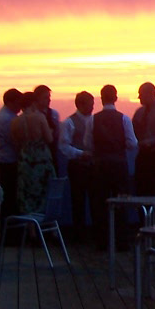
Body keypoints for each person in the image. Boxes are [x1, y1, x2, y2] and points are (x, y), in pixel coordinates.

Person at [92, 84, 138, 250]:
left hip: (100, 165)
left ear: (101, 98)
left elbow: (87, 143)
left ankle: (102, 241)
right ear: (116, 98)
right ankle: (121, 240)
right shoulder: (124, 118)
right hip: (119, 164)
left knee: (100, 202)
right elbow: (133, 143)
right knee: (121, 201)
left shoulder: (93, 119)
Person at [10, 91, 55, 214]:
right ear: (33, 103)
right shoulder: (39, 117)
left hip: (25, 160)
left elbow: (16, 142)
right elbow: (49, 139)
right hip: (41, 159)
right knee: (43, 193)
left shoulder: (15, 122)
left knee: (27, 194)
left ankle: (30, 228)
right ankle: (43, 225)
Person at [60, 90, 94, 242]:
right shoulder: (69, 123)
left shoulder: (93, 120)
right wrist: (80, 153)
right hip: (77, 166)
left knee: (94, 198)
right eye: (90, 105)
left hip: (92, 165)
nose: (92, 108)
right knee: (78, 200)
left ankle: (91, 231)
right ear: (80, 104)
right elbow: (64, 146)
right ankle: (79, 233)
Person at [0, 88, 23, 229]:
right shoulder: (7, 119)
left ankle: (9, 232)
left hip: (4, 160)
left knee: (9, 197)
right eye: (18, 103)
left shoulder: (4, 116)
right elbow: (14, 140)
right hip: (8, 161)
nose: (20, 107)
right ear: (10, 102)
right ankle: (8, 232)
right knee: (10, 197)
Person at [33, 84, 63, 175]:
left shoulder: (54, 114)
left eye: (49, 97)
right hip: (37, 155)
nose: (49, 100)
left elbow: (57, 133)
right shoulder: (33, 116)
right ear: (37, 99)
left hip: (52, 152)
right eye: (45, 97)